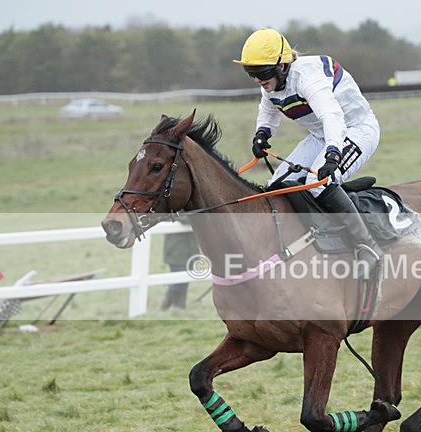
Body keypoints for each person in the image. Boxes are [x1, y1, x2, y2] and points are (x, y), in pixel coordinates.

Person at [234, 28, 382, 277]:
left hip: (356, 130)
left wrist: (334, 152)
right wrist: (262, 133)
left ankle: (368, 246)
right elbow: (268, 109)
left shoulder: (307, 77)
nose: (258, 80)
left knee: (316, 183)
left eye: (261, 73)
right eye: (252, 74)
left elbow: (331, 116)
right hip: (320, 136)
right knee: (276, 185)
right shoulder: (271, 84)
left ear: (282, 66)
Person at [161, 220, 200, 310]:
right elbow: (187, 217)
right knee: (178, 283)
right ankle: (164, 306)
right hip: (176, 250)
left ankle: (180, 307)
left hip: (191, 250)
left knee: (185, 281)